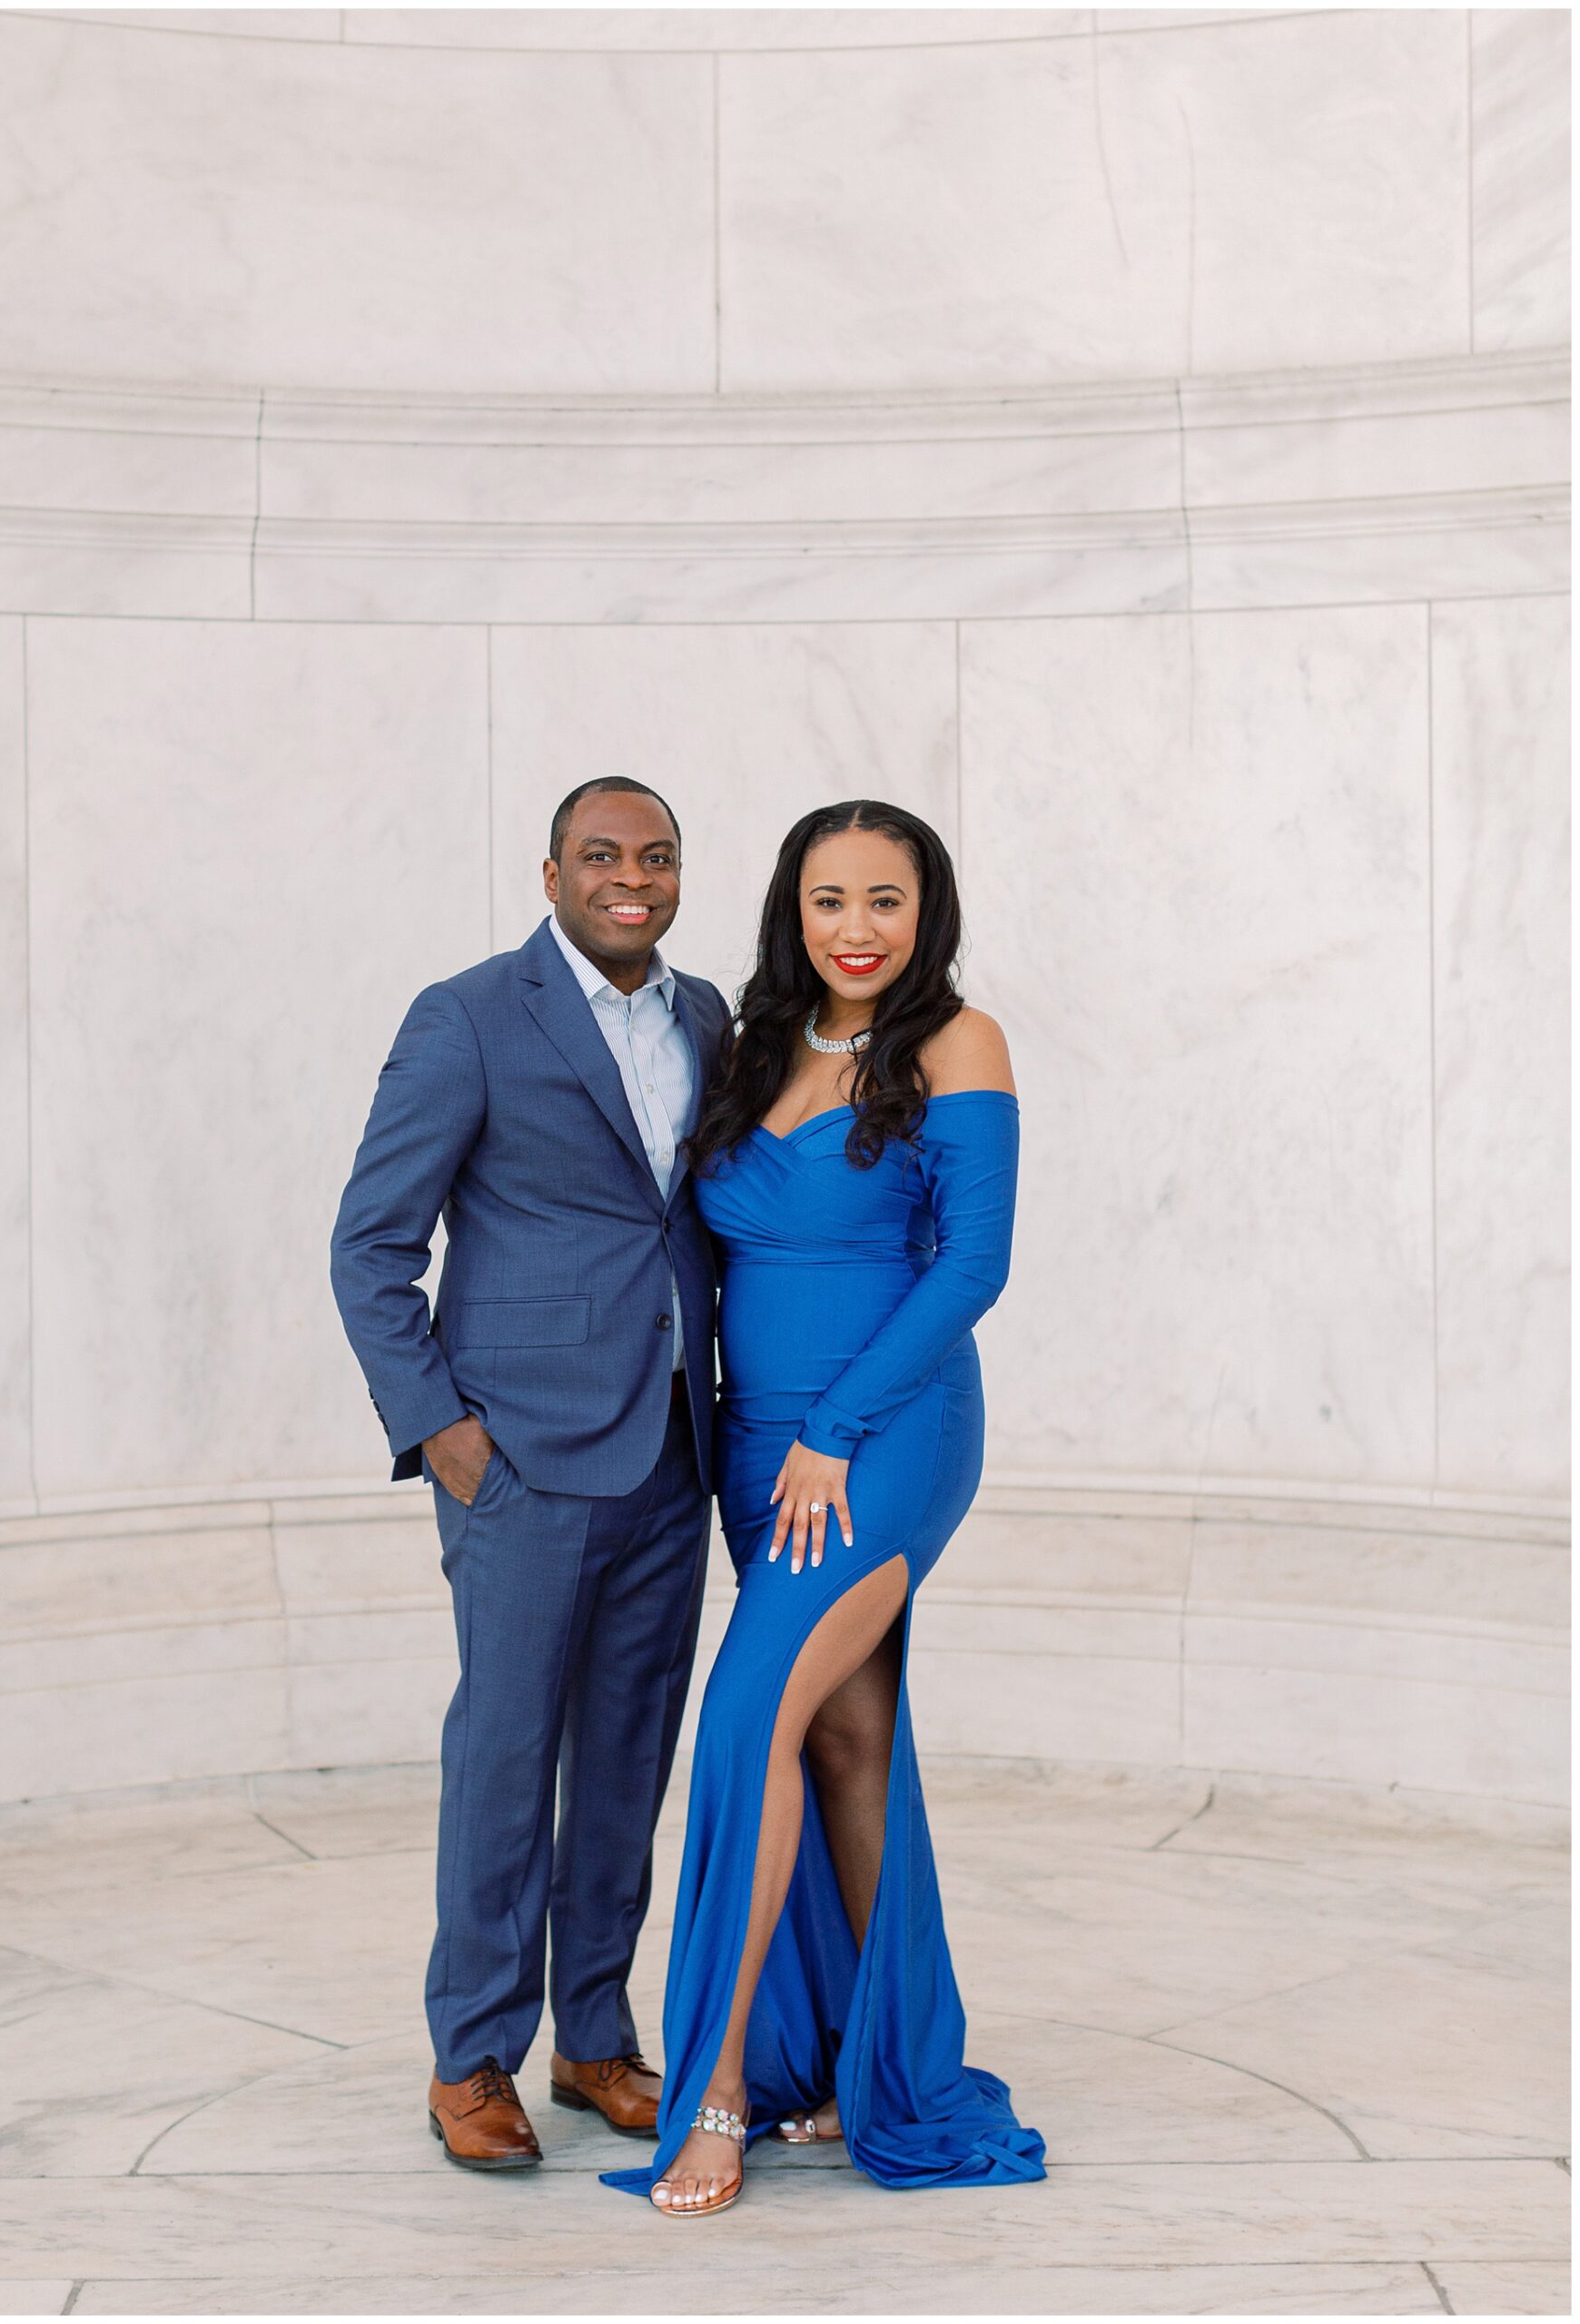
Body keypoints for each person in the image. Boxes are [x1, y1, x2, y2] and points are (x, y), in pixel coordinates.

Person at [603, 799, 1048, 2215]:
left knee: (747, 1723)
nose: (854, 929)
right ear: (790, 914)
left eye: (884, 902)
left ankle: (719, 2083)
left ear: (929, 914)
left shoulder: (955, 1046)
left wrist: (841, 1433)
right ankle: (875, 2060)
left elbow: (972, 1268)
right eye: (826, 901)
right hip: (756, 1449)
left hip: (883, 1439)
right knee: (845, 1735)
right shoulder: (752, 1047)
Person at [331, 778, 731, 2171]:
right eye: (603, 857)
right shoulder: (469, 1015)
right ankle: (470, 2060)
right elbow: (370, 1245)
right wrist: (440, 1429)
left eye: (658, 857)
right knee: (504, 1757)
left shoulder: (704, 1018)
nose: (634, 878)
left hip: (674, 1450)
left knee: (627, 1756)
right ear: (550, 872)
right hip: (520, 1458)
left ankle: (594, 2041)